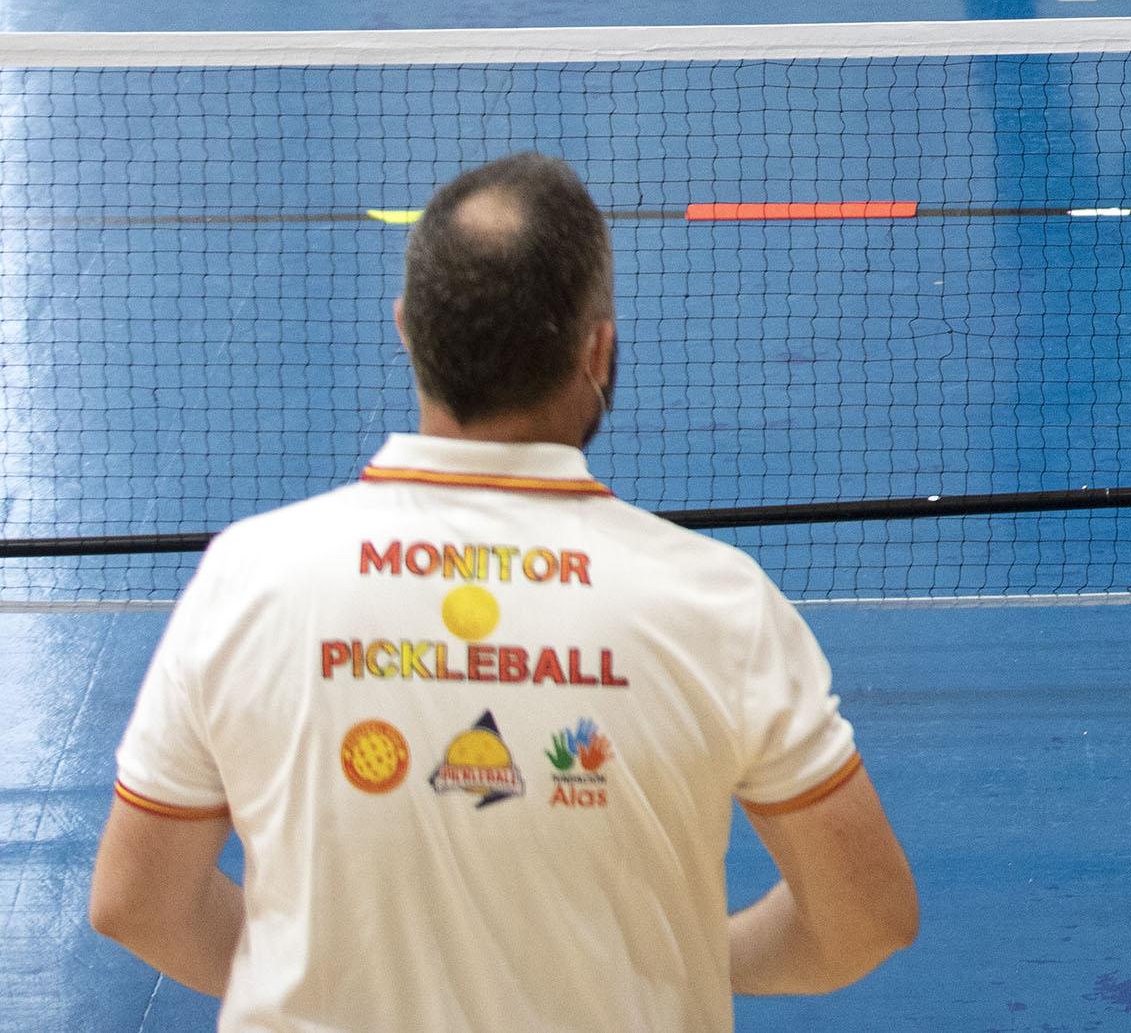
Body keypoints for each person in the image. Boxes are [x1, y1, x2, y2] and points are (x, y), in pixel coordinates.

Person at [89, 154, 918, 1029]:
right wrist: (675, 957)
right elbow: (863, 918)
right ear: (596, 349)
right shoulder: (718, 606)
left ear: (409, 330)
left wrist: (328, 985)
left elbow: (137, 904)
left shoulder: (246, 577)